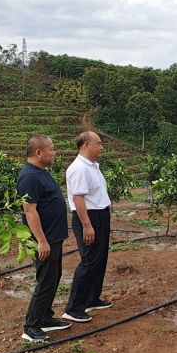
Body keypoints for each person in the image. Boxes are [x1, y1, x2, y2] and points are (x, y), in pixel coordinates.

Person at [17, 135, 72, 341]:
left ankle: (45, 318)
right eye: (51, 148)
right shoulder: (29, 177)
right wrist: (41, 240)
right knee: (45, 280)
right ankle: (31, 326)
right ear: (38, 152)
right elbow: (30, 211)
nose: (54, 152)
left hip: (53, 237)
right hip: (44, 239)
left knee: (53, 277)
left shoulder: (41, 172)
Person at [62, 131, 113, 323]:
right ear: (85, 144)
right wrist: (87, 226)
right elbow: (78, 199)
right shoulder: (79, 169)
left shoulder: (92, 166)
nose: (102, 147)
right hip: (88, 217)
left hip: (99, 215)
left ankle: (92, 298)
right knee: (89, 261)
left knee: (100, 259)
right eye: (98, 143)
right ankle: (74, 308)